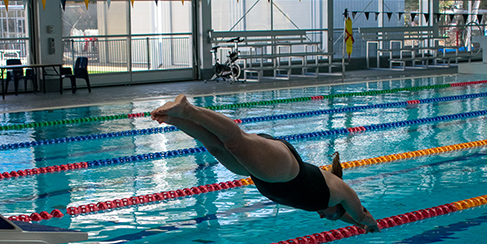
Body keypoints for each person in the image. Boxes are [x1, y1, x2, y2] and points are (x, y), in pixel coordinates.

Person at [151, 94, 380, 233]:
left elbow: (348, 218)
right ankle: (189, 110)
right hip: (285, 170)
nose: (323, 216)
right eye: (331, 216)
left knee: (217, 148)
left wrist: (359, 225)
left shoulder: (329, 205)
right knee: (235, 143)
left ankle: (175, 118)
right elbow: (360, 215)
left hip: (263, 176)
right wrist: (372, 225)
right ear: (339, 206)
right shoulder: (339, 191)